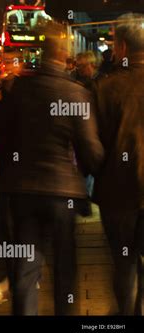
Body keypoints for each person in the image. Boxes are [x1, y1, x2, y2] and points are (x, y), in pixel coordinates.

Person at [0, 22, 104, 315]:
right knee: (64, 268)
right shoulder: (74, 92)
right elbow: (89, 148)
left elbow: (0, 137)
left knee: (26, 268)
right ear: (65, 53)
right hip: (62, 191)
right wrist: (93, 174)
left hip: (22, 190)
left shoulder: (20, 89)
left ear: (41, 52)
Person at [93, 13, 144, 315]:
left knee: (124, 262)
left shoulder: (106, 88)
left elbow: (92, 144)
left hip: (118, 192)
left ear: (122, 46)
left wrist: (95, 174)